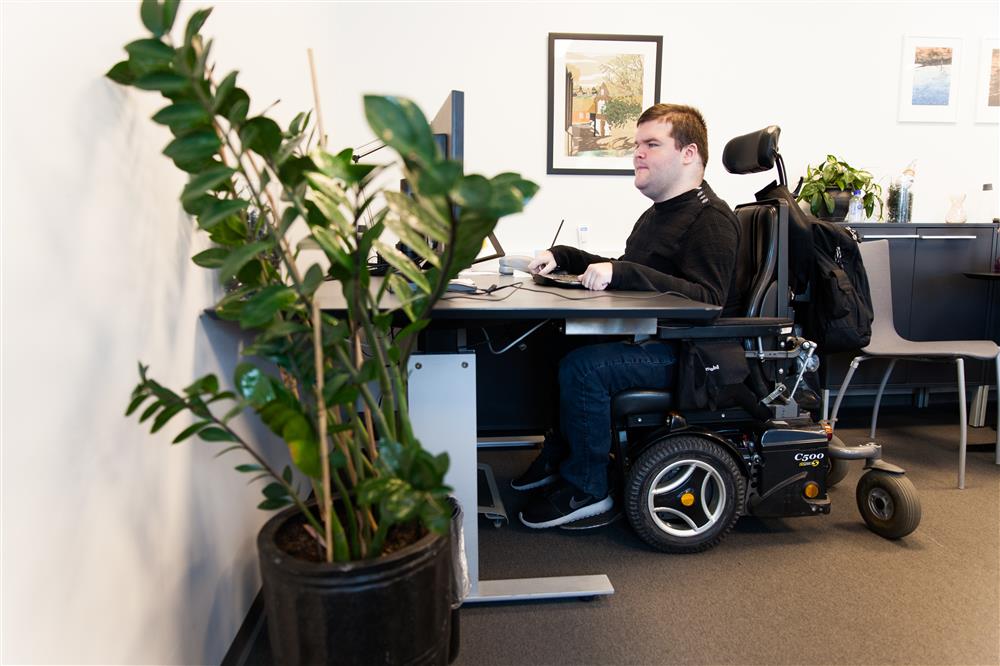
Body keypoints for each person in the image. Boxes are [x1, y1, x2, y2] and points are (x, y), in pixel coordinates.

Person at [515, 103, 743, 529]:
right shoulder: (658, 214)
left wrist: (622, 271)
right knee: (550, 337)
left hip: (687, 353)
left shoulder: (711, 219)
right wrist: (563, 256)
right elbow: (634, 271)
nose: (637, 153)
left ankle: (590, 487)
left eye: (651, 144)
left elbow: (707, 298)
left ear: (689, 153)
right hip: (652, 339)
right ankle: (564, 453)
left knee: (585, 368)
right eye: (637, 144)